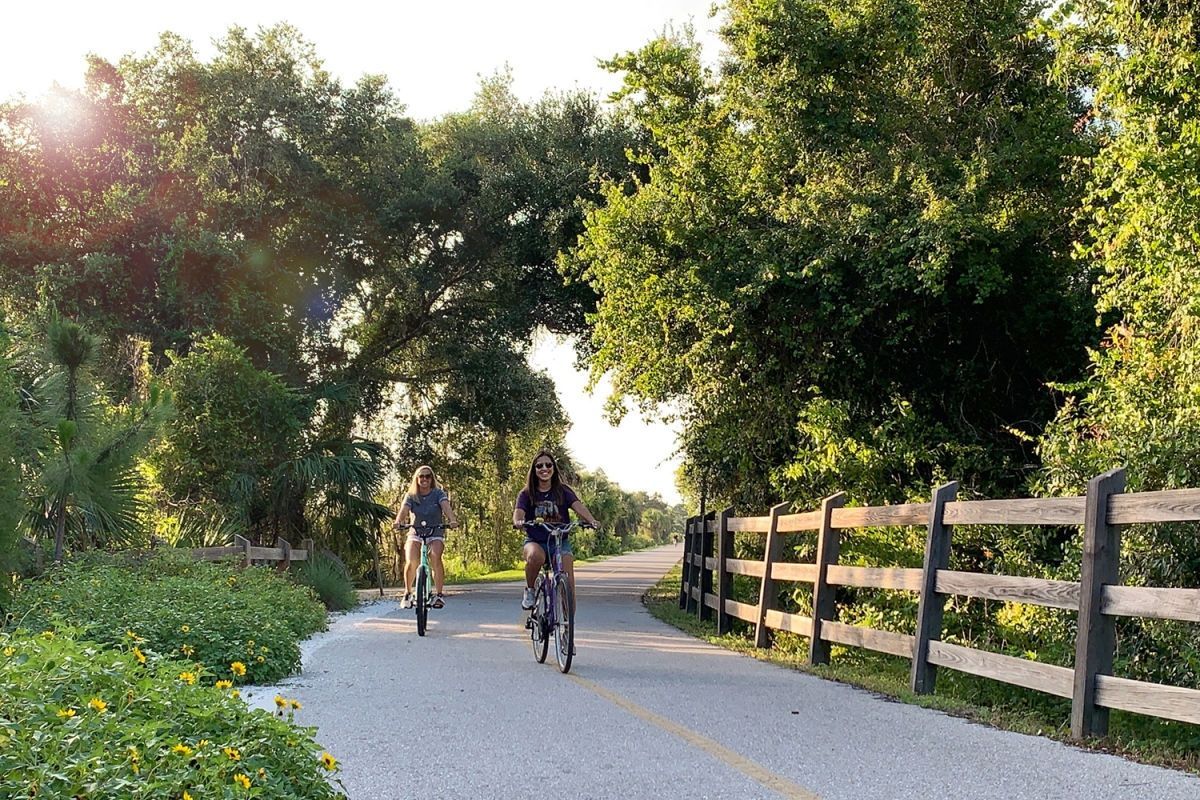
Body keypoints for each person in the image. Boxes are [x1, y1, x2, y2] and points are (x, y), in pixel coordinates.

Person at [512, 449, 599, 610]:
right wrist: (518, 521)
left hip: (559, 541)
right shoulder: (526, 493)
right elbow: (519, 512)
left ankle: (567, 625)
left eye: (548, 465)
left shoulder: (563, 490)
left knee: (568, 580)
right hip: (536, 541)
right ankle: (530, 590)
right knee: (535, 557)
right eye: (539, 466)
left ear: (553, 468)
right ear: (534, 470)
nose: (544, 469)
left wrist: (591, 521)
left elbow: (578, 506)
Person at [392, 465, 458, 609]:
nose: (424, 479)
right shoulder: (411, 495)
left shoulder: (438, 493)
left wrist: (452, 520)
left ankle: (439, 595)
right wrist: (398, 522)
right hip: (415, 532)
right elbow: (404, 510)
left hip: (435, 532)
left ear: (431, 479)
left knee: (435, 557)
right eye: (421, 476)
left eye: (428, 476)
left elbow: (446, 506)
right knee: (411, 560)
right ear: (417, 478)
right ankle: (408, 593)